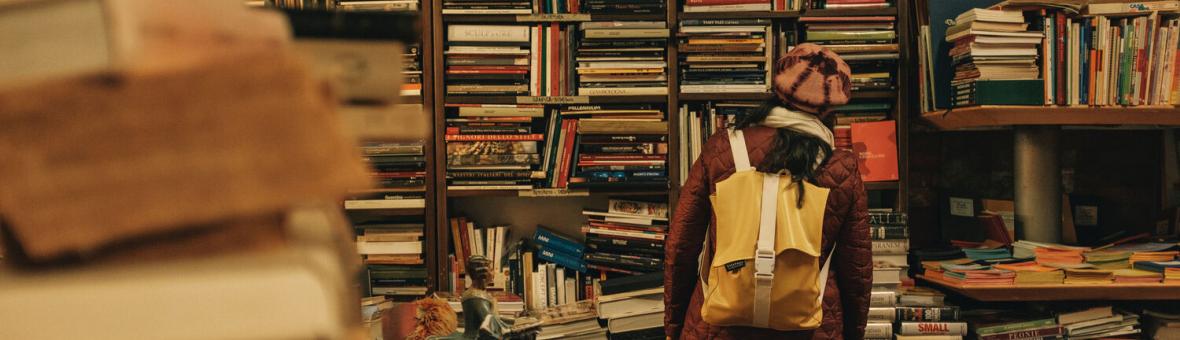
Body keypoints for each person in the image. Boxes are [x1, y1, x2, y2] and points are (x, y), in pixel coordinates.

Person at [664, 43, 873, 340]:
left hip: (718, 326)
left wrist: (674, 326)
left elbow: (680, 247)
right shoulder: (841, 167)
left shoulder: (722, 148)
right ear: (830, 109)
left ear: (777, 89)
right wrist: (852, 333)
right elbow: (857, 270)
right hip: (812, 327)